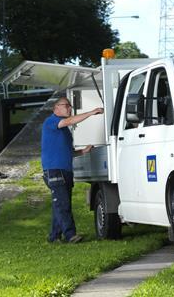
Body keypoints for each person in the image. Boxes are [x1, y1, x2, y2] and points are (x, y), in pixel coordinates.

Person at [41, 97, 103, 243]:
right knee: (63, 204)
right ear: (56, 108)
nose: (69, 108)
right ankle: (70, 235)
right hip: (55, 170)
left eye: (70, 106)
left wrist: (83, 151)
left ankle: (54, 236)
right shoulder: (51, 121)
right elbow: (69, 121)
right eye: (66, 106)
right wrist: (91, 112)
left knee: (61, 203)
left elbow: (68, 151)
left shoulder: (64, 131)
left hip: (65, 171)